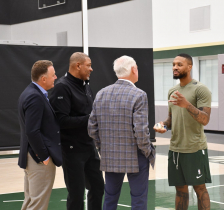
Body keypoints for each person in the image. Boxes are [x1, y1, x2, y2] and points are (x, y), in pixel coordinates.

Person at [88, 55, 155, 210]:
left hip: (110, 154)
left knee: (110, 199)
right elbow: (141, 131)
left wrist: (102, 148)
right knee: (138, 199)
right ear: (133, 69)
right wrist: (148, 151)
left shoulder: (101, 94)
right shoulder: (139, 95)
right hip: (136, 155)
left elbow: (92, 128)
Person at [154, 53, 212, 210]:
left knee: (200, 189)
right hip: (175, 149)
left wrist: (187, 105)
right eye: (173, 64)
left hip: (195, 148)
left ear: (189, 67)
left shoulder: (200, 89)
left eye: (179, 64)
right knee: (180, 191)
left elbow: (205, 119)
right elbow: (171, 120)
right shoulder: (173, 91)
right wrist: (163, 125)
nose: (175, 67)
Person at [49, 52, 104, 210]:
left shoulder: (86, 85)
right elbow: (61, 121)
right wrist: (91, 118)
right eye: (88, 65)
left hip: (89, 146)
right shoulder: (62, 87)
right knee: (76, 194)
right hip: (72, 150)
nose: (91, 69)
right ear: (77, 65)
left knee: (98, 187)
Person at [18, 60, 62, 210]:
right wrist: (44, 157)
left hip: (31, 157)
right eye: (53, 75)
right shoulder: (35, 97)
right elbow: (32, 131)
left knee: (30, 202)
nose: (55, 77)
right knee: (37, 205)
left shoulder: (30, 92)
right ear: (43, 78)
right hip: (38, 160)